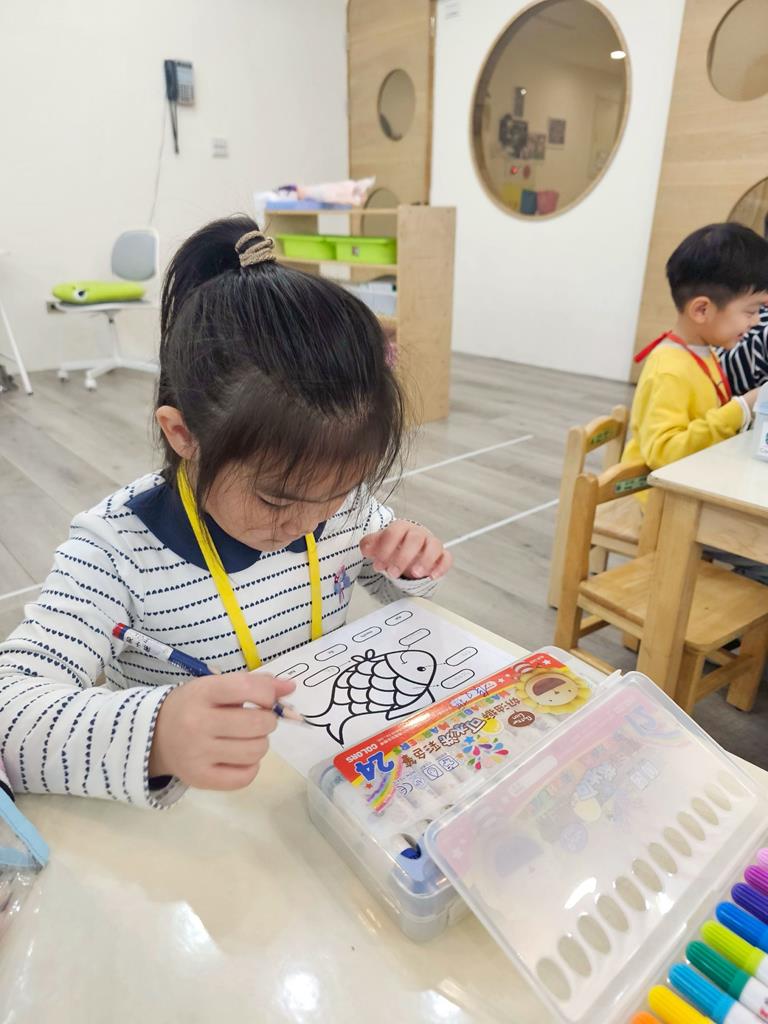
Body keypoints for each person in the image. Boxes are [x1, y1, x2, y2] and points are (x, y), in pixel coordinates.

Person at [0, 216, 452, 808]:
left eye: (342, 490)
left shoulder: (341, 509)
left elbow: (390, 587)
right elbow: (10, 707)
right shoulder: (114, 550)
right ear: (183, 434)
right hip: (201, 814)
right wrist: (158, 735)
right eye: (277, 500)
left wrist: (409, 567)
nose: (312, 522)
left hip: (319, 781)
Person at [623, 222, 768, 474]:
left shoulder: (704, 353)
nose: (756, 321)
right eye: (750, 311)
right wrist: (741, 408)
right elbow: (663, 454)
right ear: (702, 310)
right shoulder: (669, 370)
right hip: (657, 494)